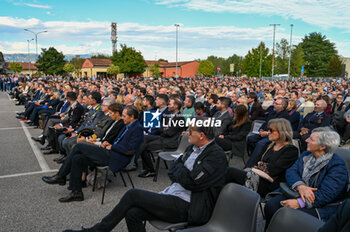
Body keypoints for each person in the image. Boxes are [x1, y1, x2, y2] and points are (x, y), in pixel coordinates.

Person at [63, 117, 228, 232]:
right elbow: (174, 168)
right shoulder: (193, 147)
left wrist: (180, 169)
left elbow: (191, 182)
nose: (186, 133)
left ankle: (97, 230)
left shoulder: (216, 156)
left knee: (133, 195)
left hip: (190, 206)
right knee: (133, 213)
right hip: (174, 194)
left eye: (190, 131)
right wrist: (180, 169)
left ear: (202, 135)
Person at [41, 106, 144, 202]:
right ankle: (76, 192)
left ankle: (61, 175)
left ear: (132, 117)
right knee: (78, 158)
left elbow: (129, 150)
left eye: (124, 116)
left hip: (117, 158)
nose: (122, 118)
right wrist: (109, 143)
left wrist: (112, 146)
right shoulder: (128, 125)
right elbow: (120, 141)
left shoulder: (137, 128)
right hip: (111, 151)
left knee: (79, 146)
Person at [264, 127, 349, 229]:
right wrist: (301, 186)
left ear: (322, 146)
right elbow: (291, 171)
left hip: (321, 205)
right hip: (297, 193)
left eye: (311, 139)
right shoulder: (306, 155)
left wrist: (299, 203)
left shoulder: (337, 167)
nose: (306, 140)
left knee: (289, 217)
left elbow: (325, 195)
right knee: (271, 206)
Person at [226, 118, 298, 197]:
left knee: (229, 172)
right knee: (227, 178)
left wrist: (258, 165)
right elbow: (254, 162)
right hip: (255, 176)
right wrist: (261, 165)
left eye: (271, 130)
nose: (268, 132)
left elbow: (273, 170)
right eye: (268, 130)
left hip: (268, 184)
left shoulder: (291, 150)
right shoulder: (269, 146)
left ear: (281, 132)